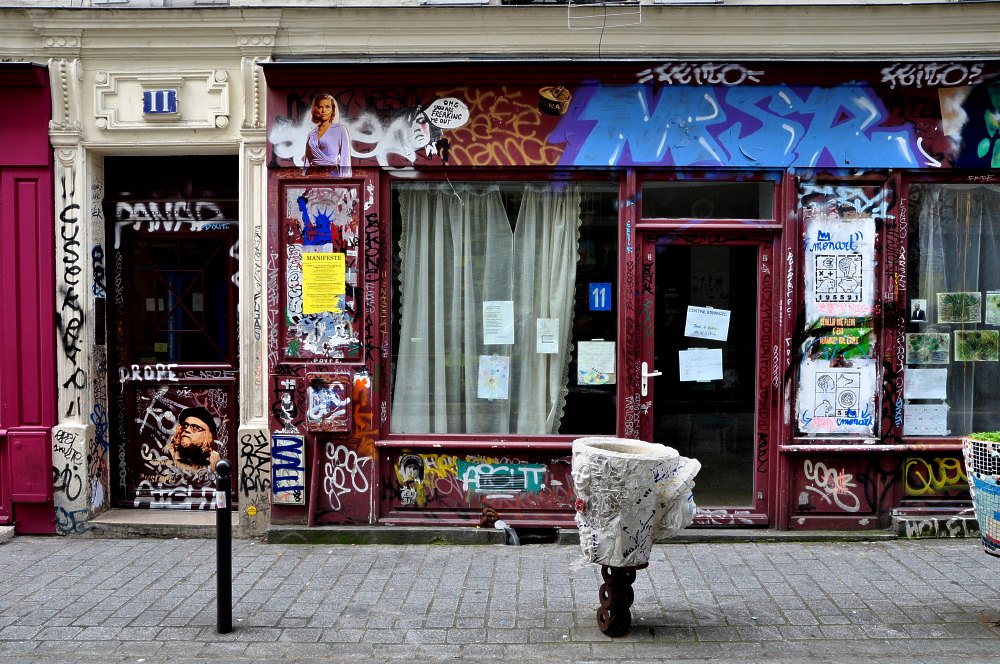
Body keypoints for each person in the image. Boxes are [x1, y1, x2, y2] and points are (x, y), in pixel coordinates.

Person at [303, 94, 352, 177]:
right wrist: (303, 178)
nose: (323, 110)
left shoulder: (340, 130)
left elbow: (345, 158)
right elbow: (306, 161)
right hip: (311, 175)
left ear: (332, 110)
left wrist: (345, 179)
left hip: (331, 175)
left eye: (327, 107)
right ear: (316, 110)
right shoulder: (311, 134)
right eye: (320, 107)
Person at [165, 406, 222, 473]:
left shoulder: (214, 459)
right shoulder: (169, 454)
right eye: (185, 426)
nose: (187, 430)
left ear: (207, 436)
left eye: (195, 427)